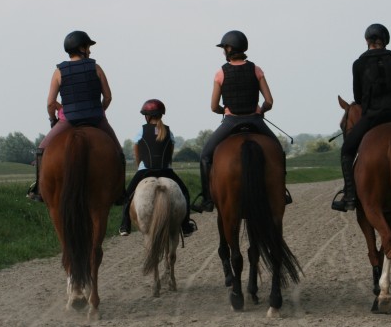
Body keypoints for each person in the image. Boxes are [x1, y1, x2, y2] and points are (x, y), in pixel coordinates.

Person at [191, 30, 290, 213]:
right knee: (277, 151)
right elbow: (269, 101)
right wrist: (261, 110)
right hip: (255, 120)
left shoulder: (220, 73)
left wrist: (224, 111)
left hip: (231, 122)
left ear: (229, 48)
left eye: (224, 48)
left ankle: (207, 199)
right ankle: (281, 192)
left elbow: (213, 107)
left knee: (205, 156)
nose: (223, 52)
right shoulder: (256, 69)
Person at [331, 23, 391, 212]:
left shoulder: (358, 64)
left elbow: (358, 98)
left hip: (372, 116)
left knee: (347, 151)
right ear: (385, 41)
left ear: (367, 41)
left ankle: (349, 196)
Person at [27, 30, 124, 202]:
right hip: (96, 118)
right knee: (117, 151)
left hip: (69, 120)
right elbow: (108, 97)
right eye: (88, 46)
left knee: (41, 150)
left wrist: (53, 119)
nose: (90, 51)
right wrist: (99, 111)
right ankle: (120, 191)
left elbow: (50, 103)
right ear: (81, 48)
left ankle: (39, 190)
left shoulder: (59, 72)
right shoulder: (96, 67)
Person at [118, 99, 198, 237]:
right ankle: (185, 225)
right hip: (166, 170)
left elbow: (137, 154)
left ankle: (125, 225)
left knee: (127, 196)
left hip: (144, 170)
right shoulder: (168, 132)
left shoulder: (140, 132)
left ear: (147, 116)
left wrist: (140, 168)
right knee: (185, 193)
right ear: (161, 115)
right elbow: (170, 154)